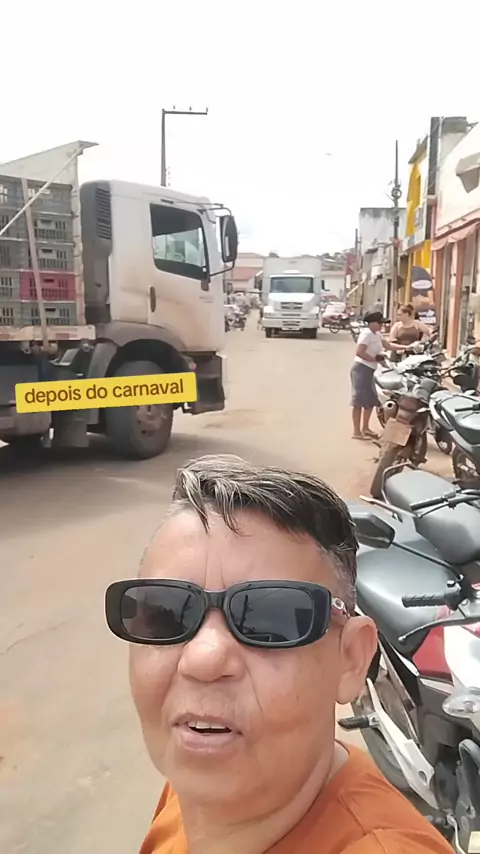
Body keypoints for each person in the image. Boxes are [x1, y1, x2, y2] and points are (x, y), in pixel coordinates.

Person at [105, 455, 452, 854]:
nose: (203, 659)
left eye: (270, 619)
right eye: (165, 615)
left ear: (351, 659)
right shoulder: (191, 791)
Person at [350, 310, 404, 440]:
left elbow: (388, 345)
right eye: (380, 323)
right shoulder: (366, 334)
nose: (382, 325)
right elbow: (360, 352)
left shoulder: (377, 334)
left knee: (370, 400)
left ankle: (365, 428)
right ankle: (356, 432)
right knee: (359, 401)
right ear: (372, 323)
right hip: (361, 369)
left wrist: (407, 347)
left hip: (370, 370)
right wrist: (375, 359)